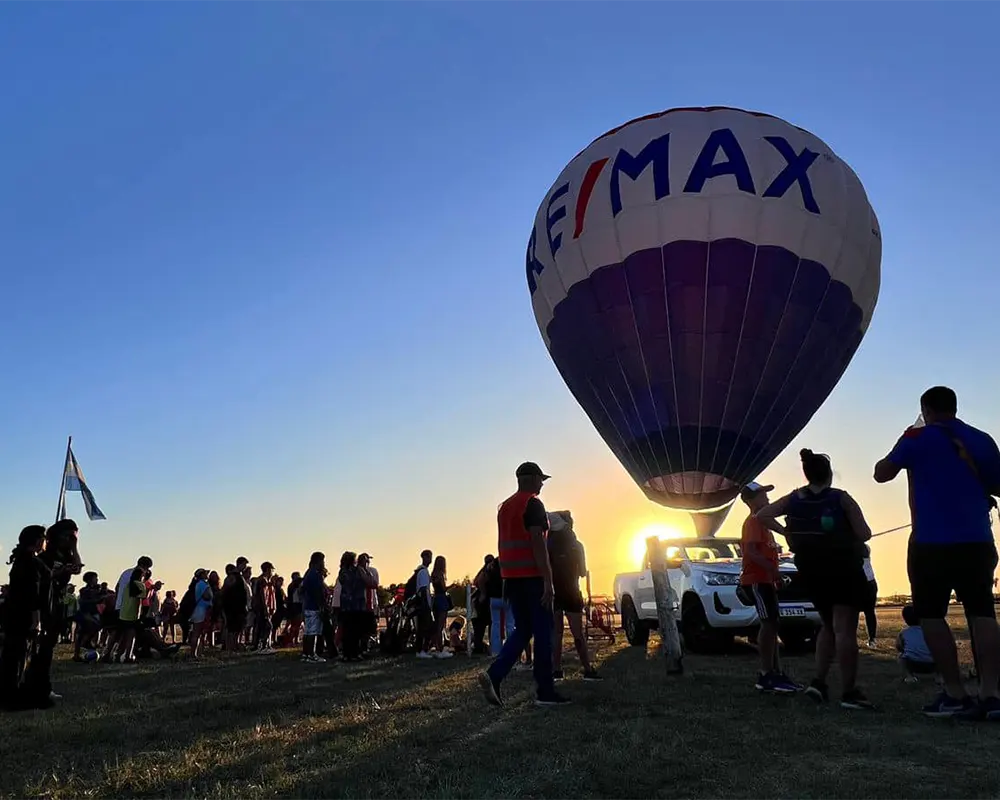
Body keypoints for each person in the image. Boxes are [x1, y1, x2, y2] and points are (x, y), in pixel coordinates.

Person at [874, 386, 1000, 719]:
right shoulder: (982, 439)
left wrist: (907, 437)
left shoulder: (917, 439)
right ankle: (991, 693)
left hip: (931, 542)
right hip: (976, 539)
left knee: (931, 615)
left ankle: (955, 692)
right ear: (954, 408)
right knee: (982, 612)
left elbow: (881, 473)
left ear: (926, 409)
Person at [756, 450, 874, 710]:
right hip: (843, 568)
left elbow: (762, 515)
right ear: (829, 475)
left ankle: (818, 682)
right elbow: (864, 533)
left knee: (827, 625)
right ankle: (849, 691)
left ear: (807, 474)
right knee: (844, 630)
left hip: (810, 569)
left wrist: (787, 531)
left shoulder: (793, 499)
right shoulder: (841, 499)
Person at [480, 462, 567, 707]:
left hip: (512, 580)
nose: (542, 485)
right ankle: (545, 691)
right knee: (543, 632)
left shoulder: (504, 507)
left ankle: (494, 675)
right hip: (533, 578)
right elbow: (538, 544)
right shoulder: (533, 504)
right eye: (541, 480)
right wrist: (549, 582)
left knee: (523, 630)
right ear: (532, 479)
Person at [738, 483, 798, 694]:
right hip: (757, 579)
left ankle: (776, 673)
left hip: (766, 579)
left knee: (773, 624)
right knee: (768, 623)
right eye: (763, 494)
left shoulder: (763, 523)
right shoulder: (754, 522)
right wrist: (774, 571)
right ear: (752, 500)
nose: (768, 498)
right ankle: (765, 674)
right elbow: (751, 553)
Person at [0, 526, 50, 710]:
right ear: (38, 541)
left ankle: (10, 692)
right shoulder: (31, 563)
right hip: (24, 615)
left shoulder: (22, 561)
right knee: (19, 655)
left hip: (14, 613)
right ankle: (12, 696)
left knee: (13, 656)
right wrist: (36, 621)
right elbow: (33, 595)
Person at [547, 511, 600, 682]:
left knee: (556, 633)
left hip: (554, 593)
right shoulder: (577, 545)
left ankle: (556, 670)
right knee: (578, 634)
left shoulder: (548, 544)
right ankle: (587, 668)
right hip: (572, 591)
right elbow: (583, 572)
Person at [897, 605, 936, 683]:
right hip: (932, 664)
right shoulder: (930, 630)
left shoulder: (904, 633)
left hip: (913, 664)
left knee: (901, 657)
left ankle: (909, 676)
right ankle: (939, 676)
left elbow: (899, 647)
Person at [301, 552, 327, 663]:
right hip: (314, 606)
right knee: (313, 632)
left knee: (308, 632)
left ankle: (306, 653)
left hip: (308, 605)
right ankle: (312, 654)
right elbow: (318, 592)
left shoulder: (308, 573)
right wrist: (321, 606)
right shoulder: (315, 575)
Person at [413, 550, 435, 660]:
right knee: (425, 627)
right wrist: (426, 604)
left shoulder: (424, 571)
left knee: (426, 627)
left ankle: (423, 649)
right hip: (423, 604)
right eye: (429, 556)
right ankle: (421, 649)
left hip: (425, 603)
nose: (430, 559)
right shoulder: (423, 572)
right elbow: (422, 589)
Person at [862, 545, 878, 648]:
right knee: (870, 613)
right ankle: (872, 640)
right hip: (870, 582)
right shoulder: (866, 547)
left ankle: (872, 640)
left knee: (851, 613)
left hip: (862, 582)